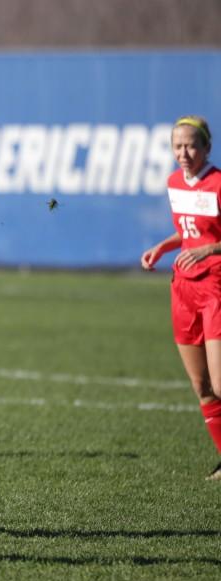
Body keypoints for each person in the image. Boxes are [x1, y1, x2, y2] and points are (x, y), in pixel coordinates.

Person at [140, 115, 221, 481]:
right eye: (177, 146)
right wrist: (163, 246)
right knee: (201, 386)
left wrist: (208, 251)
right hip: (184, 288)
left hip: (216, 287)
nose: (183, 153)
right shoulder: (175, 182)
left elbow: (205, 241)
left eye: (191, 145)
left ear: (206, 147)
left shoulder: (218, 183)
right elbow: (186, 231)